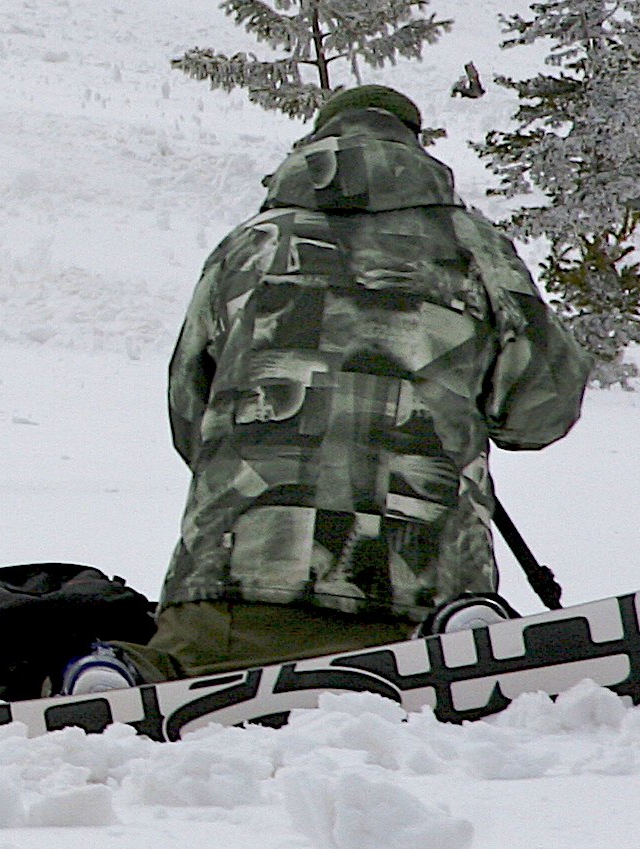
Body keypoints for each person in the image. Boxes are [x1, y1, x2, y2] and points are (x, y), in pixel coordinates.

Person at [67, 84, 590, 692]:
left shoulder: (247, 247)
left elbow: (191, 416)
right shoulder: (475, 248)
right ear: (414, 146)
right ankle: (459, 631)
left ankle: (123, 673)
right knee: (438, 650)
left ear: (315, 142)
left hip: (235, 581)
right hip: (420, 586)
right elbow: (539, 414)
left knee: (189, 671)